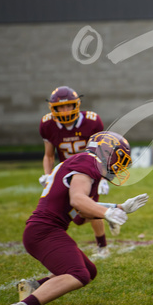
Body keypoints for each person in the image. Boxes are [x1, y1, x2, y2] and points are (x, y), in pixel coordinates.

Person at [1, 131, 149, 305]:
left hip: (45, 230)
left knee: (90, 271)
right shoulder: (88, 162)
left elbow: (80, 216)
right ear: (105, 152)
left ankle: (33, 287)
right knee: (79, 274)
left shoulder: (87, 166)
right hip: (43, 231)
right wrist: (107, 212)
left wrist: (119, 207)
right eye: (118, 158)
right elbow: (78, 199)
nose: (119, 166)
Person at [39, 86, 111, 258]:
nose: (64, 111)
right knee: (77, 218)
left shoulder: (92, 121)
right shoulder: (47, 124)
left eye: (68, 106)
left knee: (88, 208)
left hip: (88, 171)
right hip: (65, 172)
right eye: (60, 107)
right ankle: (108, 211)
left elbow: (102, 150)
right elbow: (49, 155)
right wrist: (48, 175)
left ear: (76, 105)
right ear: (53, 108)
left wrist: (103, 178)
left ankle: (102, 246)